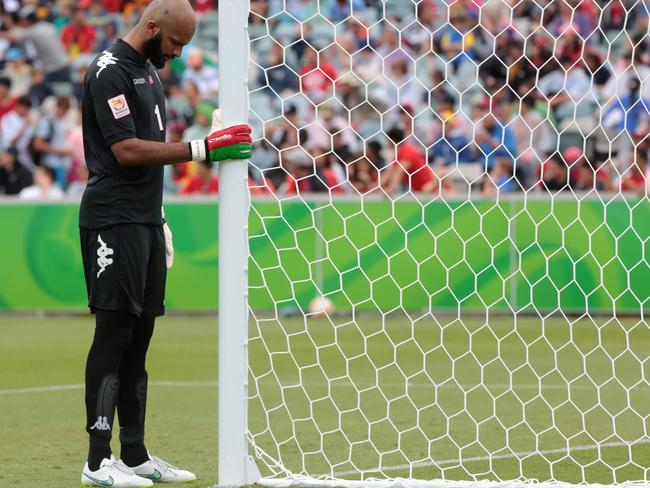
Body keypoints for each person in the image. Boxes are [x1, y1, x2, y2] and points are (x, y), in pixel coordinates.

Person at [78, 0, 252, 486]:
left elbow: (148, 156)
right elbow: (126, 150)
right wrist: (202, 149)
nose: (177, 53)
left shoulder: (149, 73)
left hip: (145, 222)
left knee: (141, 339)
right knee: (113, 336)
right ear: (152, 26)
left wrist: (158, 216)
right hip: (112, 222)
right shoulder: (108, 71)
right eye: (175, 42)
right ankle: (97, 462)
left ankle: (133, 454)